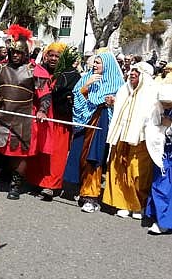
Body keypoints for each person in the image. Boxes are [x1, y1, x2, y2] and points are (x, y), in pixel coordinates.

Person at [0, 24, 52, 200]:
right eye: (13, 52)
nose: (15, 55)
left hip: (23, 118)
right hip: (0, 116)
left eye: (19, 53)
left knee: (19, 155)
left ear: (25, 53)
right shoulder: (0, 68)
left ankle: (15, 186)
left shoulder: (34, 70)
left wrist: (42, 111)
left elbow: (44, 95)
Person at [63, 51, 125, 213]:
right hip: (84, 122)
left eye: (99, 63)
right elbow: (77, 96)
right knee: (80, 155)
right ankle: (80, 188)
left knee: (94, 157)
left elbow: (124, 104)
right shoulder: (87, 77)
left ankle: (91, 195)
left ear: (107, 65)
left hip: (101, 120)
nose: (95, 65)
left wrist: (113, 102)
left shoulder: (118, 84)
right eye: (95, 62)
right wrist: (87, 85)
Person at [26, 43, 81, 201]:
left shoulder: (71, 74)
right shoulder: (39, 70)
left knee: (56, 153)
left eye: (57, 56)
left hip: (60, 120)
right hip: (42, 117)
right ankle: (36, 180)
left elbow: (75, 94)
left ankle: (50, 185)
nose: (53, 59)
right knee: (40, 150)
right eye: (51, 55)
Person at [102, 62, 157, 218]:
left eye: (136, 71)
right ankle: (123, 203)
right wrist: (113, 103)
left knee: (138, 173)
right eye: (132, 70)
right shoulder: (123, 90)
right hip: (121, 137)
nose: (132, 73)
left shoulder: (152, 93)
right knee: (118, 170)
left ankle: (138, 205)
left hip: (140, 139)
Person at [145, 84, 172, 234]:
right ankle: (157, 216)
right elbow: (151, 126)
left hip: (169, 153)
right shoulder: (157, 109)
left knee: (166, 188)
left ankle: (164, 221)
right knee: (159, 184)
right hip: (161, 154)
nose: (166, 105)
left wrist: (169, 127)